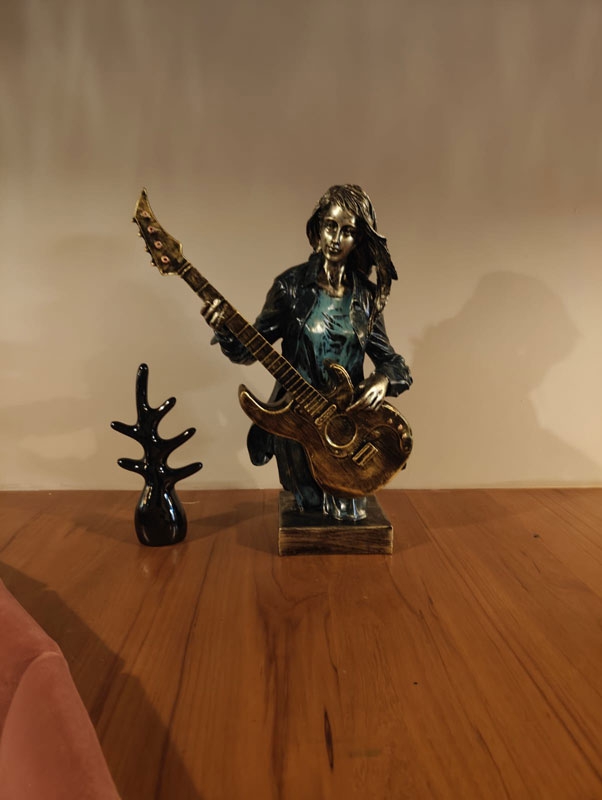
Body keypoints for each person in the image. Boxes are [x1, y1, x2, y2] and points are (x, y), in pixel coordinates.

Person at [203, 184, 412, 521]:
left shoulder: (365, 297)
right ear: (318, 228)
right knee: (309, 509)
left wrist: (383, 380)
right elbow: (248, 350)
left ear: (359, 239)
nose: (336, 239)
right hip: (298, 427)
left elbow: (393, 362)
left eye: (347, 231)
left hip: (348, 430)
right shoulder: (290, 287)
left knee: (350, 515)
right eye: (330, 226)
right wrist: (224, 329)